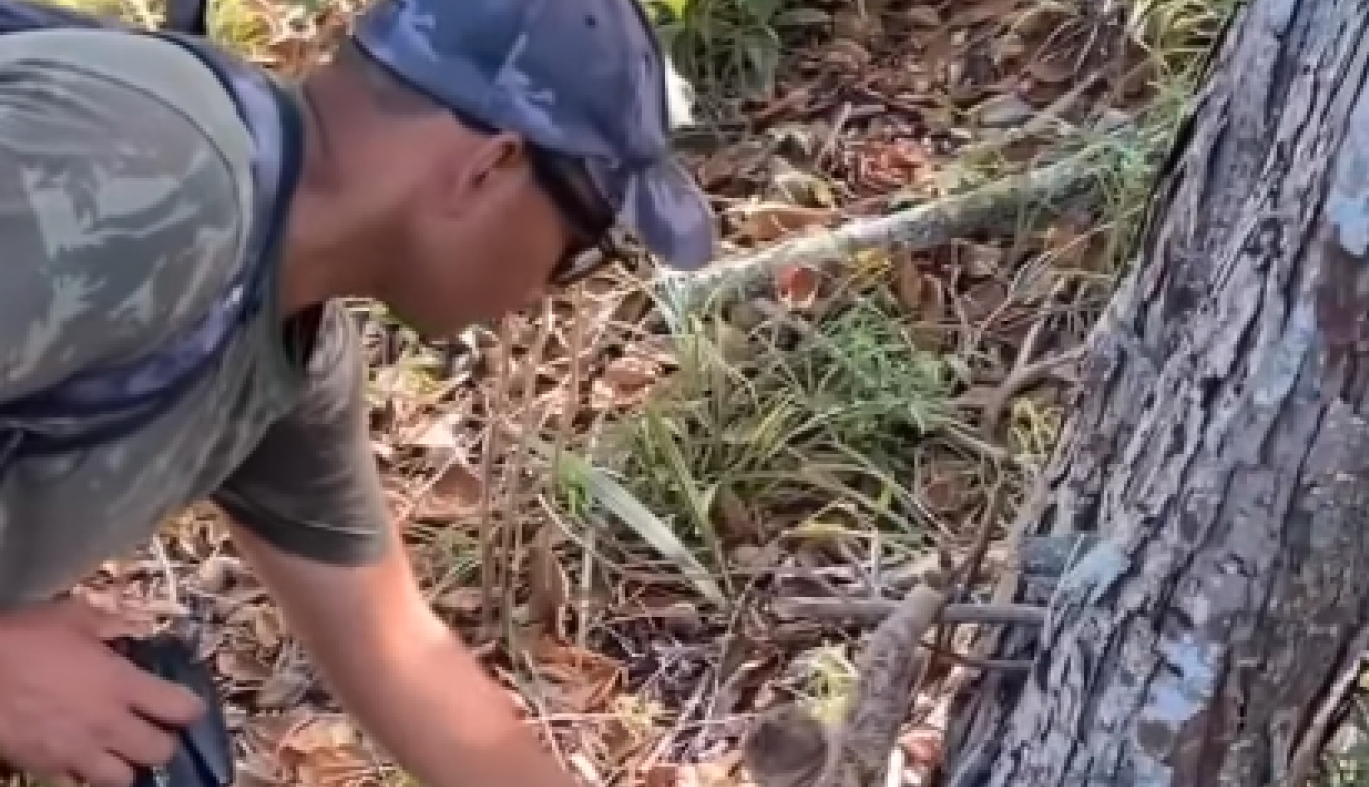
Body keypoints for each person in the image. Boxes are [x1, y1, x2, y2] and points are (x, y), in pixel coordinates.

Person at [0, 0, 716, 784]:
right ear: (491, 166)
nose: (547, 289)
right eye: (576, 244)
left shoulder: (289, 352)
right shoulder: (154, 168)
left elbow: (398, 654)